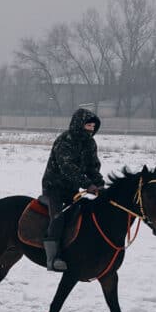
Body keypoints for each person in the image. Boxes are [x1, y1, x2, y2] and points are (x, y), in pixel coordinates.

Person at [40, 107, 105, 271]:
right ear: (79, 124)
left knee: (79, 216)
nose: (91, 129)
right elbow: (67, 168)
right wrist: (87, 184)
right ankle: (52, 259)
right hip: (54, 187)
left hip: (72, 189)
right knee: (58, 217)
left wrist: (99, 183)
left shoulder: (90, 143)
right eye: (88, 126)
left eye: (93, 127)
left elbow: (93, 167)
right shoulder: (65, 140)